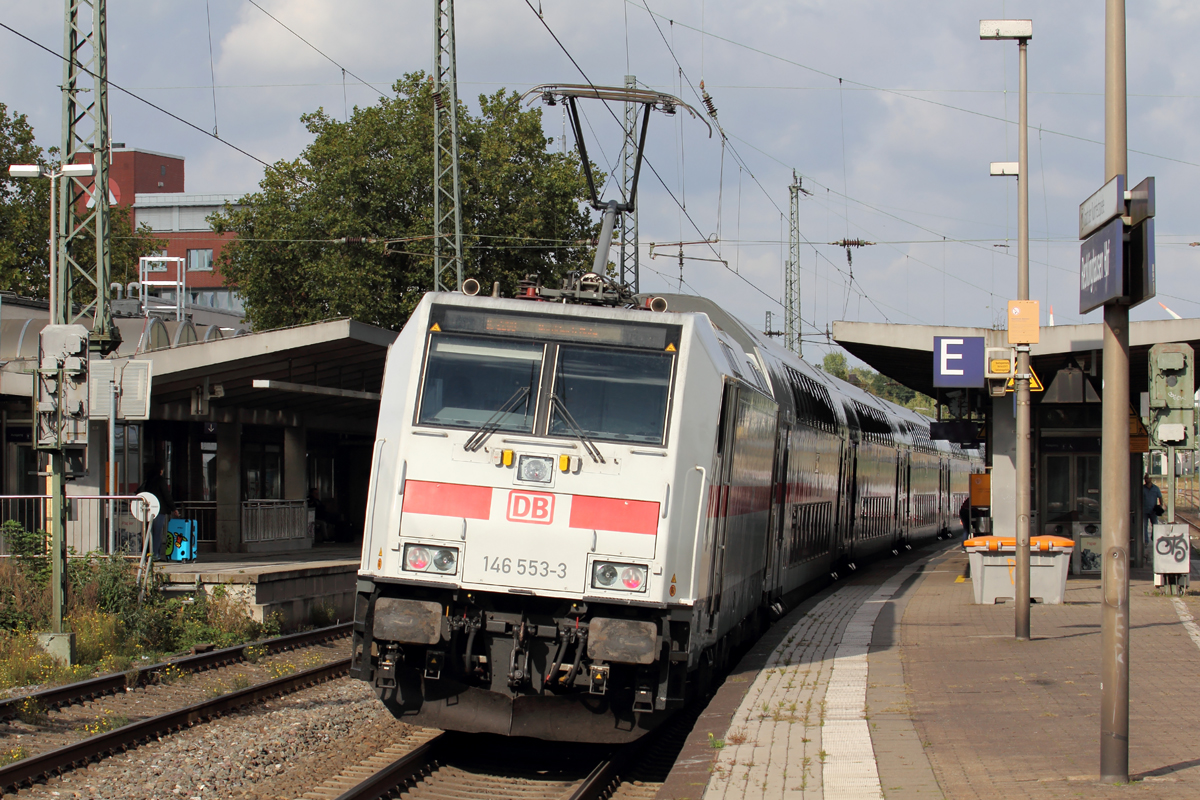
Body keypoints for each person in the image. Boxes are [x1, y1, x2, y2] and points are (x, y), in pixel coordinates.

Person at [138, 464, 177, 559]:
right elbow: (166, 495)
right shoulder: (160, 480)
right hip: (159, 509)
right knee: (157, 533)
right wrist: (173, 508)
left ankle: (146, 553)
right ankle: (155, 554)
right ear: (160, 471)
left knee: (148, 532)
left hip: (147, 510)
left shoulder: (148, 481)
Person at [1142, 473, 1164, 545]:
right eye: (1145, 478)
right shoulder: (1142, 488)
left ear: (1150, 479)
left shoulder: (1156, 488)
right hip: (1144, 510)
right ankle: (1146, 541)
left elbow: (1160, 497)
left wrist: (1160, 505)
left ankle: (1154, 538)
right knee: (1144, 525)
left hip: (1153, 510)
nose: (1146, 480)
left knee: (1155, 524)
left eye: (1147, 478)